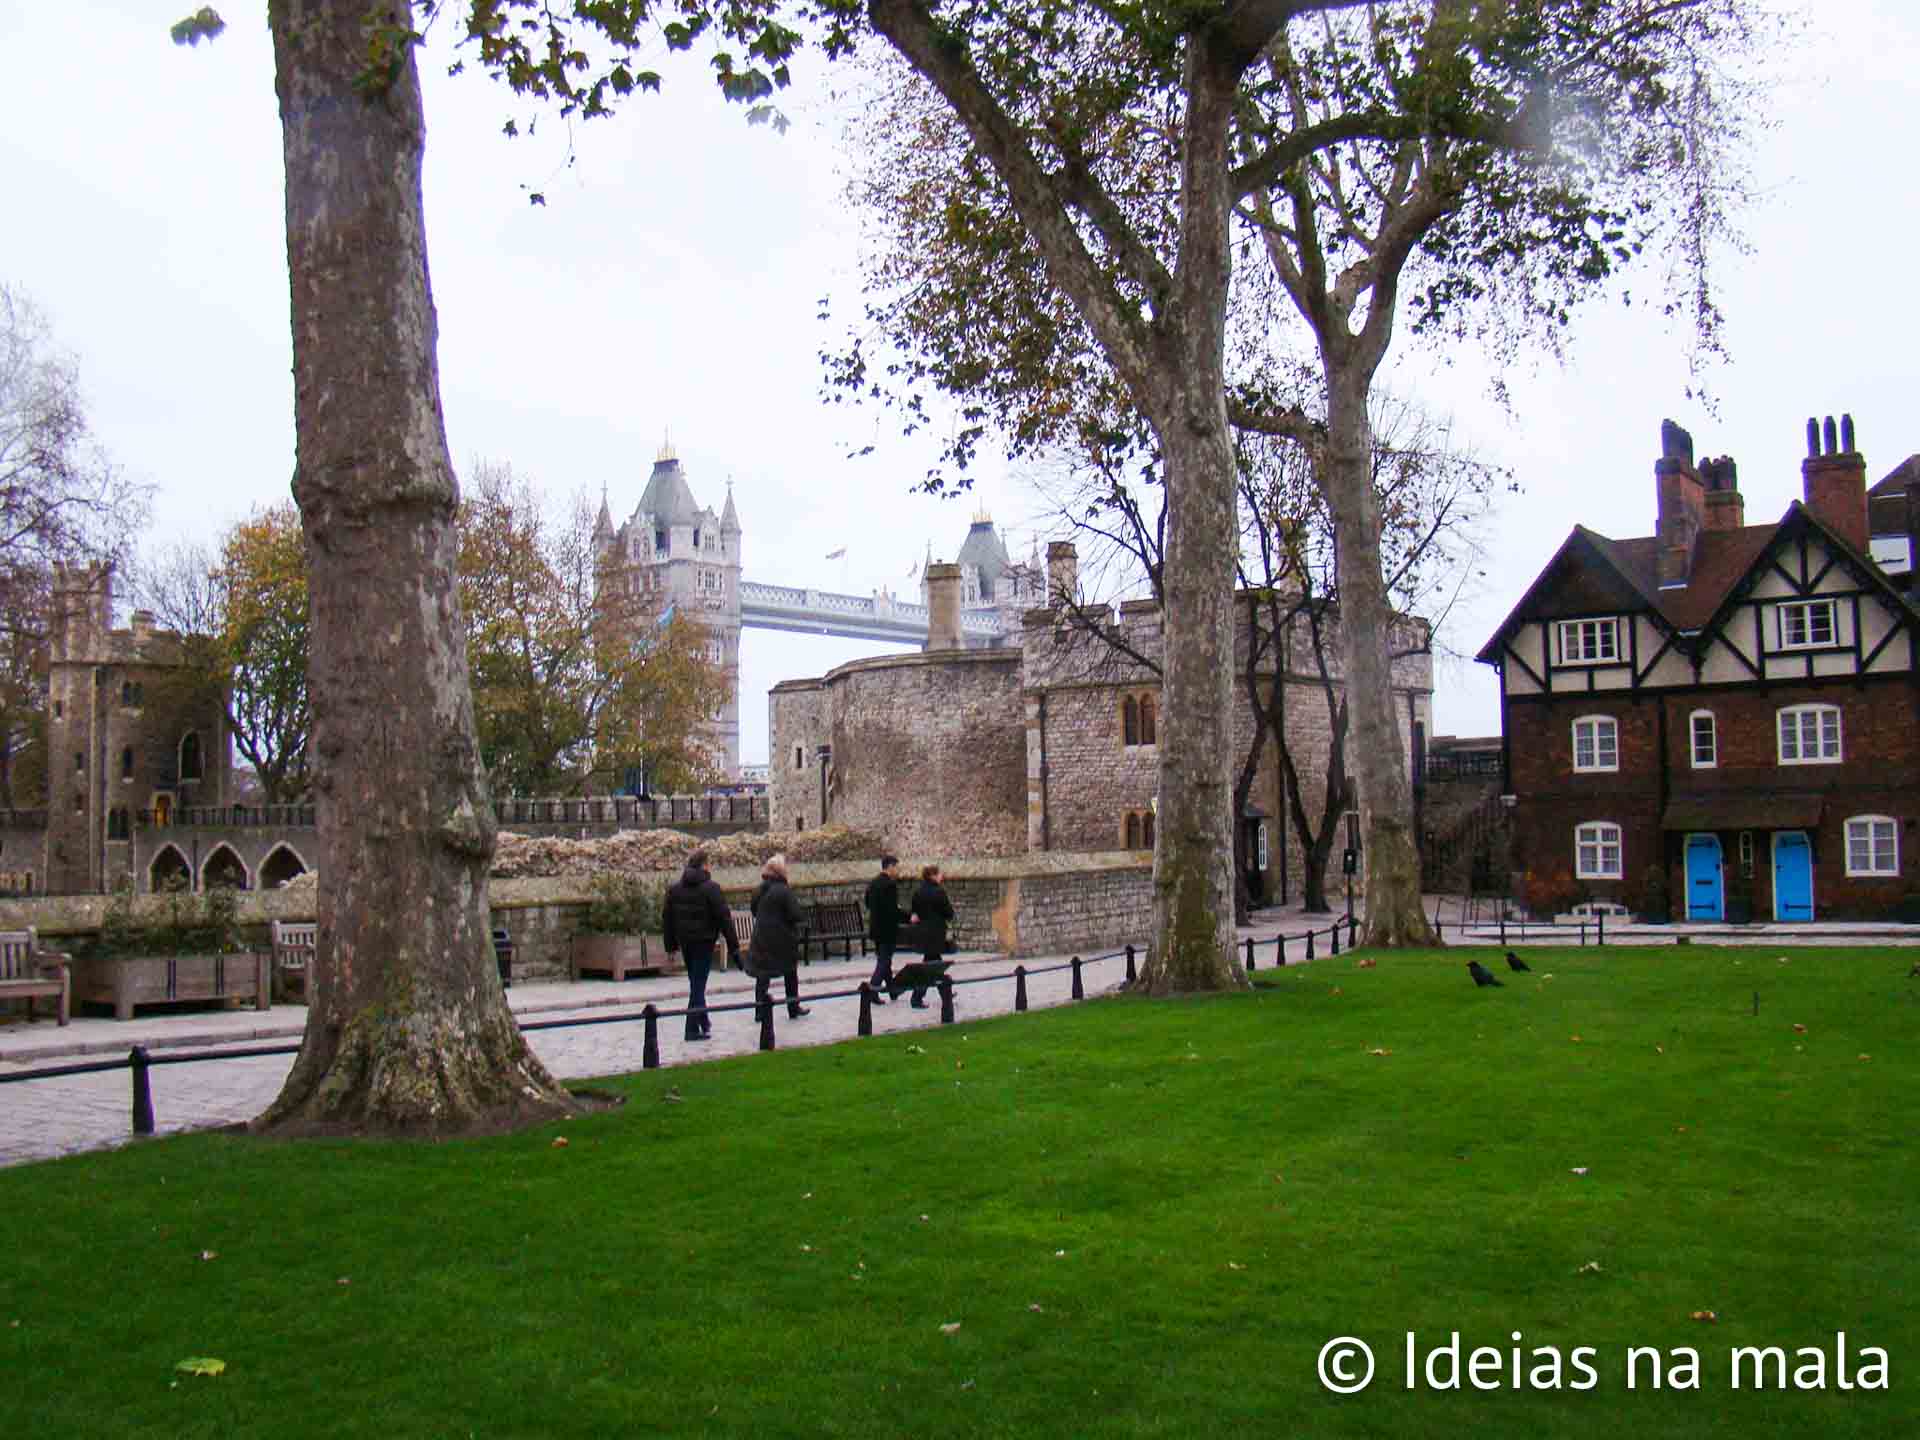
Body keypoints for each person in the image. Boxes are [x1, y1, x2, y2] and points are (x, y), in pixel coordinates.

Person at [661, 848, 740, 1042]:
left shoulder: (675, 889)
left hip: (686, 941)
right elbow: (724, 919)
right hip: (704, 941)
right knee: (698, 984)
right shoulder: (711, 888)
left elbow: (667, 919)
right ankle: (691, 1028)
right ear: (705, 865)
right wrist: (735, 948)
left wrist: (670, 945)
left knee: (695, 981)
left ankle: (703, 1020)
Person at [746, 853, 810, 1020]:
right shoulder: (783, 890)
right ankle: (793, 1007)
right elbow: (795, 914)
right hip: (782, 939)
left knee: (762, 976)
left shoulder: (759, 890)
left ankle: (759, 1011)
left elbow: (753, 910)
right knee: (790, 973)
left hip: (761, 937)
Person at [906, 863, 955, 1009]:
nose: (942, 876)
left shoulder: (918, 892)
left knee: (933, 963)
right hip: (936, 932)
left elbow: (914, 912)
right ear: (932, 875)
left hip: (923, 932)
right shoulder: (939, 892)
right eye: (939, 874)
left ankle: (945, 993)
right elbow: (949, 913)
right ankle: (917, 997)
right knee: (932, 966)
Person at [864, 853, 904, 1004]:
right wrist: (907, 917)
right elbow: (893, 910)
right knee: (884, 960)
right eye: (896, 868)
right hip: (887, 929)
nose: (898, 871)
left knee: (885, 960)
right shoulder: (890, 885)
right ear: (890, 867)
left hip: (876, 927)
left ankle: (892, 990)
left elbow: (868, 902)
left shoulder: (873, 883)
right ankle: (873, 989)